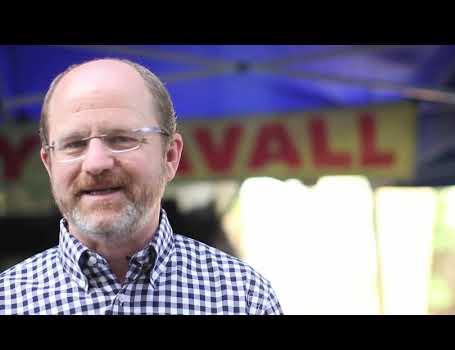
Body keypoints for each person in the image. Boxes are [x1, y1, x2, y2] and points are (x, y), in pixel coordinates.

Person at [0, 58, 283, 315]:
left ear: (170, 156)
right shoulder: (8, 301)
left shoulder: (243, 298)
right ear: (49, 164)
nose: (96, 163)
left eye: (121, 138)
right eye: (74, 144)